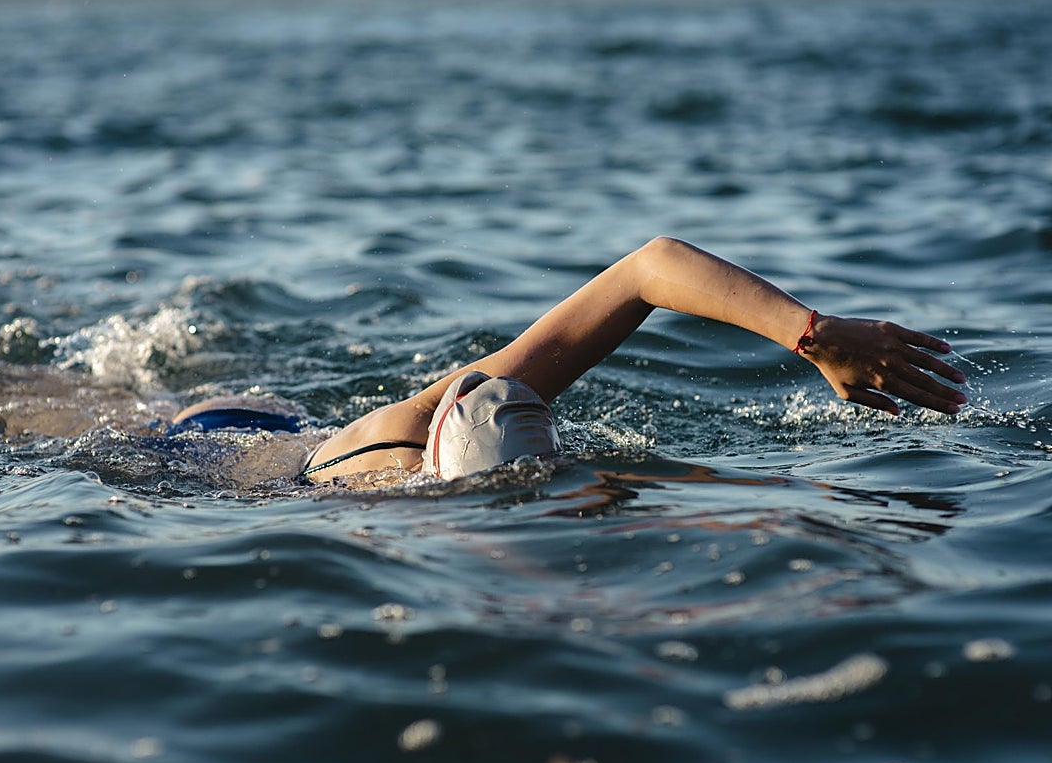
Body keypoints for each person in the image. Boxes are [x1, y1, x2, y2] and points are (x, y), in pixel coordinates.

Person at [172, 236, 968, 484]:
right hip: (208, 440)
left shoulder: (470, 408)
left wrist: (812, 335)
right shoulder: (407, 435)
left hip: (292, 434)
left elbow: (650, 267)